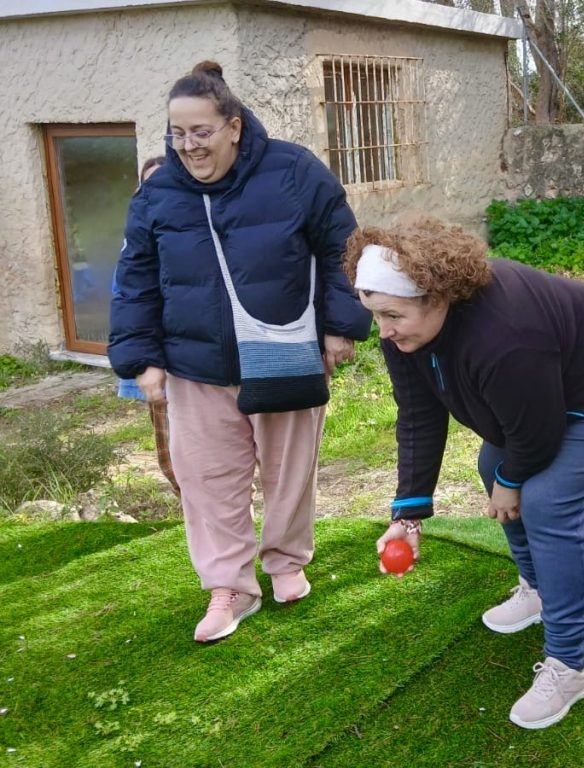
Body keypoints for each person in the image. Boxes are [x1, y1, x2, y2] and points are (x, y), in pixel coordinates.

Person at [344, 218, 584, 730]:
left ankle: (569, 666)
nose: (382, 331)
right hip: (547, 384)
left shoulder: (505, 337)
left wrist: (514, 478)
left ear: (438, 298)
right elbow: (418, 413)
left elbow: (537, 433)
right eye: (375, 316)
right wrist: (409, 512)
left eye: (392, 316)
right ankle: (539, 588)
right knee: (490, 464)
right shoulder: (404, 329)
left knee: (547, 502)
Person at [108, 61, 370, 643]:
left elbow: (342, 249)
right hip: (194, 364)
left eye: (200, 132)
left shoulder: (294, 171)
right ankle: (229, 585)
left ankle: (285, 563)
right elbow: (136, 277)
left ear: (232, 125)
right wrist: (140, 357)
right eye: (177, 134)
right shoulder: (160, 194)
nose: (189, 146)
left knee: (288, 472)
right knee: (207, 480)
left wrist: (340, 326)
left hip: (283, 351)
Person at [112, 156, 180, 498]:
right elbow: (128, 303)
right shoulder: (137, 243)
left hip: (197, 367)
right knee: (172, 462)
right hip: (159, 366)